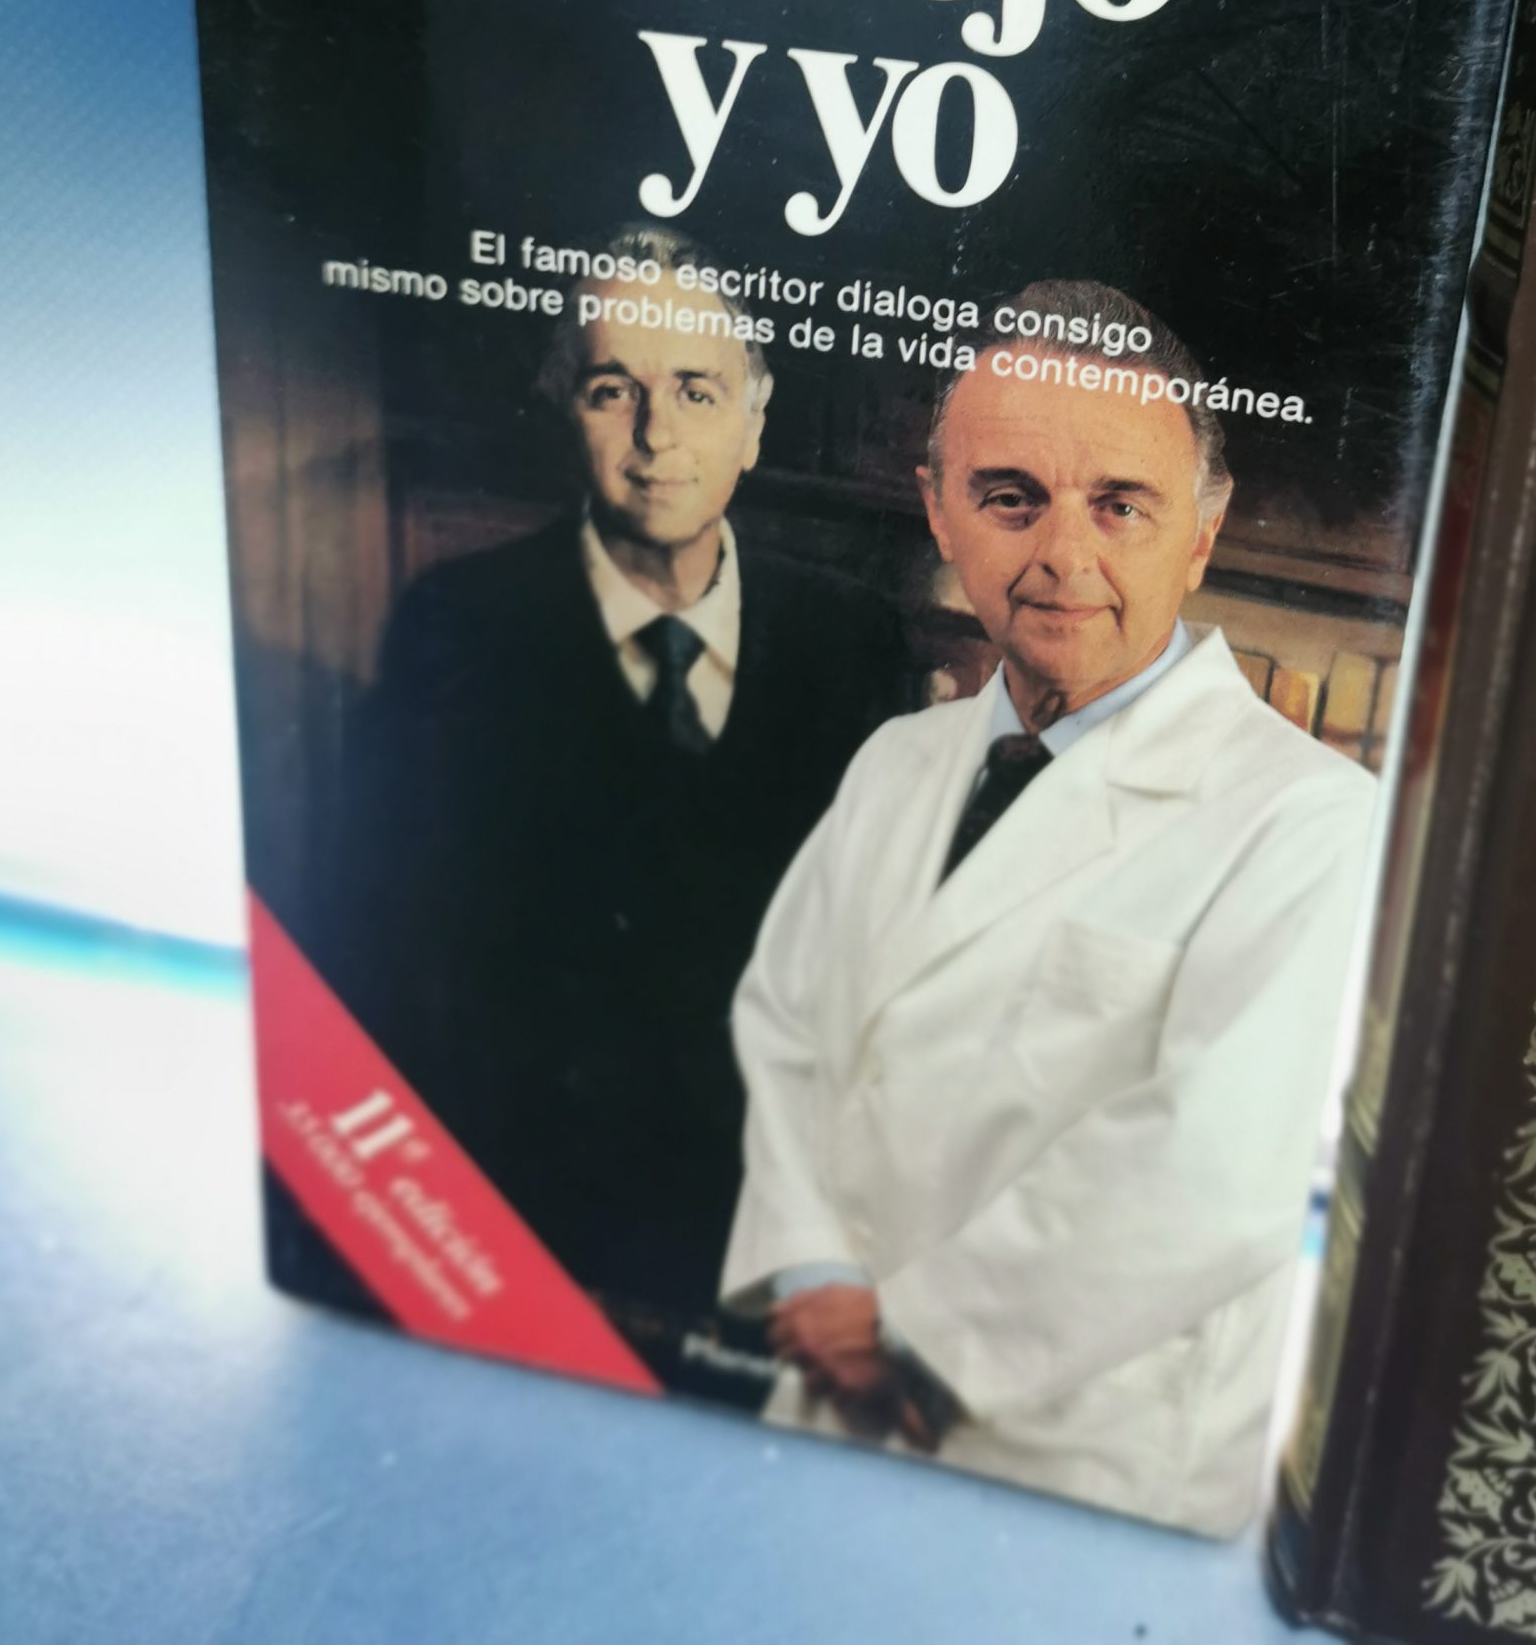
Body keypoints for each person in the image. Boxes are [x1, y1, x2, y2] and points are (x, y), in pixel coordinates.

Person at [719, 280, 1376, 1533]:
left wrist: (904, 1342)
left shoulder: (1315, 821)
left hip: (1081, 1467)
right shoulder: (900, 760)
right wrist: (811, 1270)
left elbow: (1215, 1174)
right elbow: (786, 1026)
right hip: (828, 1404)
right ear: (939, 508)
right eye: (1011, 497)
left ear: (1202, 530)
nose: (1065, 556)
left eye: (1121, 504)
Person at [318, 225, 909, 1390]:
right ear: (565, 411)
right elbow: (390, 972)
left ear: (755, 418)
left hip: (769, 1257)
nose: (656, 434)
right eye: (612, 390)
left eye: (697, 389)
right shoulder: (458, 624)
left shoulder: (855, 638)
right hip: (526, 1244)